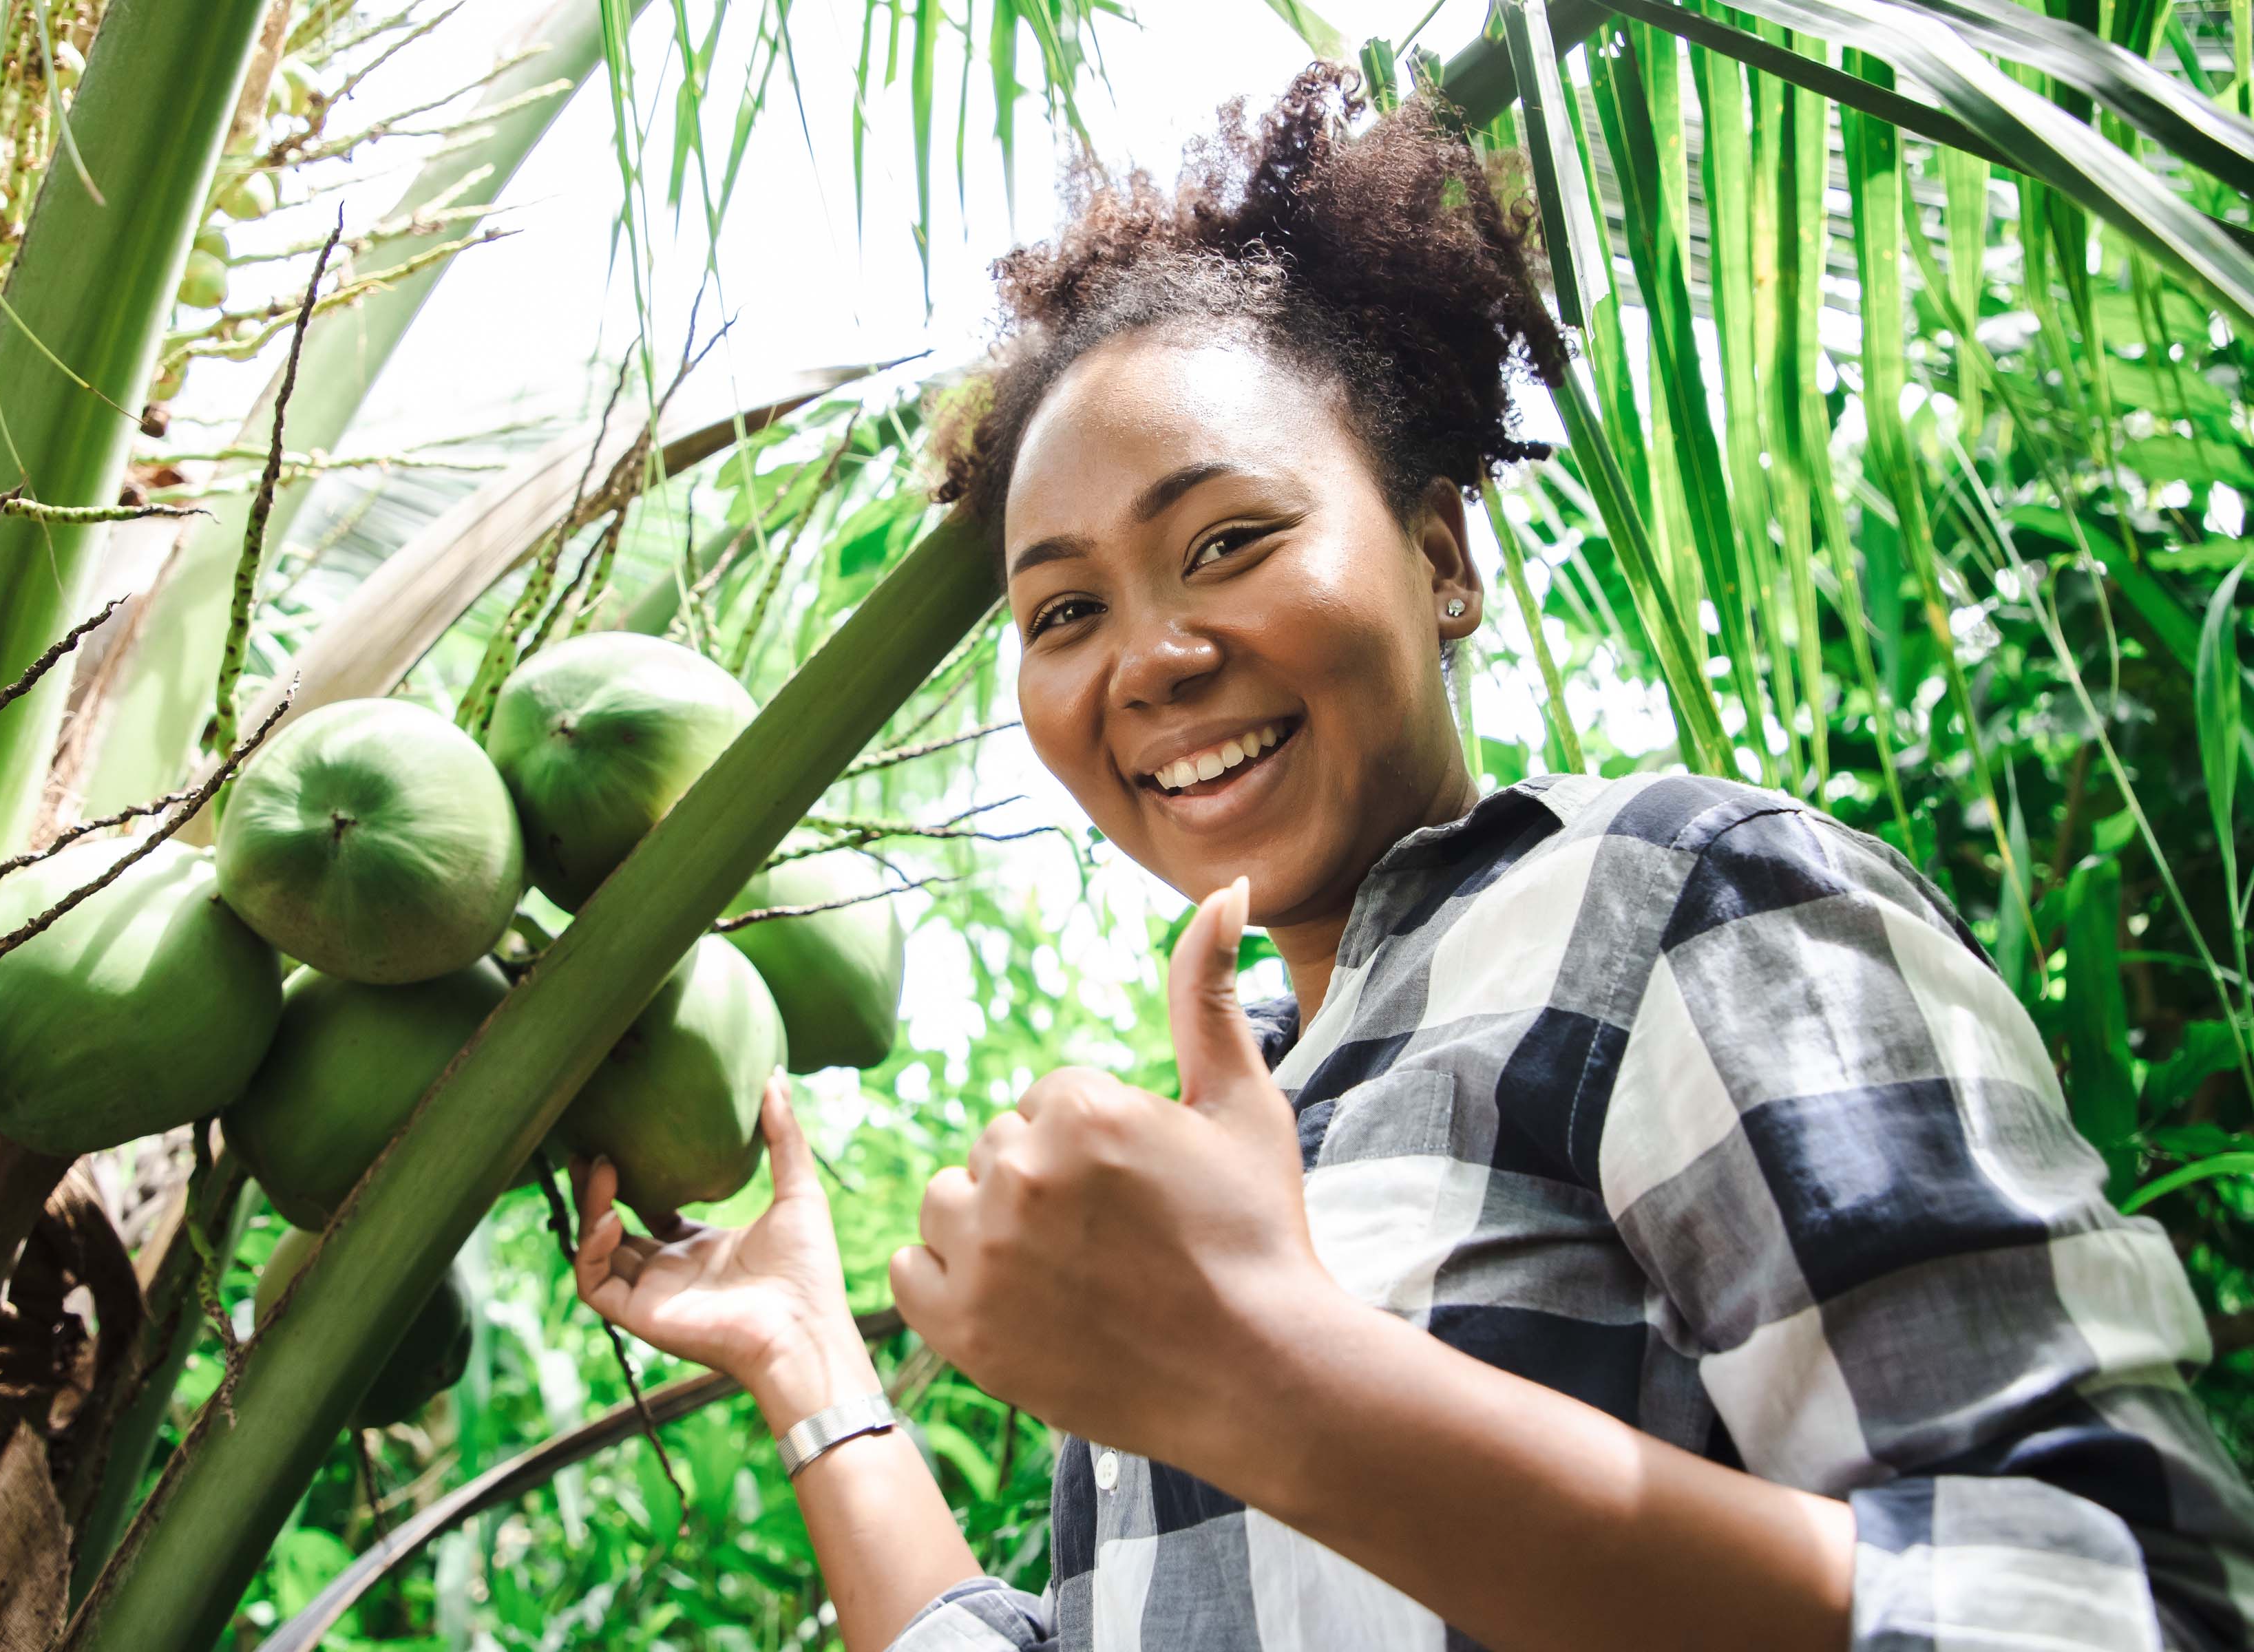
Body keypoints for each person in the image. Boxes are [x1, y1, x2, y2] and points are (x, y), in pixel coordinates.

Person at [570, 67, 2254, 1651]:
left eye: (1228, 540)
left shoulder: (1667, 900)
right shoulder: (1204, 1164)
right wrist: (805, 1361)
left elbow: (2127, 1608)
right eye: (1064, 611)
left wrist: (1272, 1379)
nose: (1145, 660)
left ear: (1439, 553)